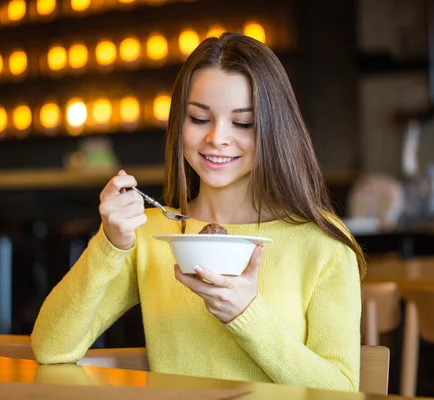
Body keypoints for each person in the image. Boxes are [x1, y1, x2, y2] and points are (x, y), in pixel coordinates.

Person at [31, 32, 367, 392]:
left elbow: (341, 392)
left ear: (274, 129)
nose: (217, 137)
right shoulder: (152, 234)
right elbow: (52, 348)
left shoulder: (321, 242)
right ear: (179, 122)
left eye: (243, 123)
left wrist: (246, 314)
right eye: (198, 118)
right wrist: (110, 244)